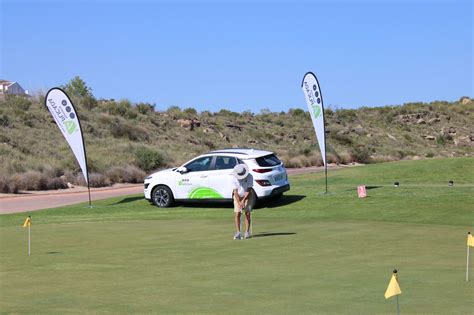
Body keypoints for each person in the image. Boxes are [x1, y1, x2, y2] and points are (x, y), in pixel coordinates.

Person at [232, 164, 255, 240]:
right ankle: (238, 232)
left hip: (248, 195)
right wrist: (239, 203)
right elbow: (235, 192)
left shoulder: (250, 176)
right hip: (237, 196)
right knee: (237, 213)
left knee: (247, 213)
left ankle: (247, 232)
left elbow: (248, 190)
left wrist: (244, 200)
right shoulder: (234, 178)